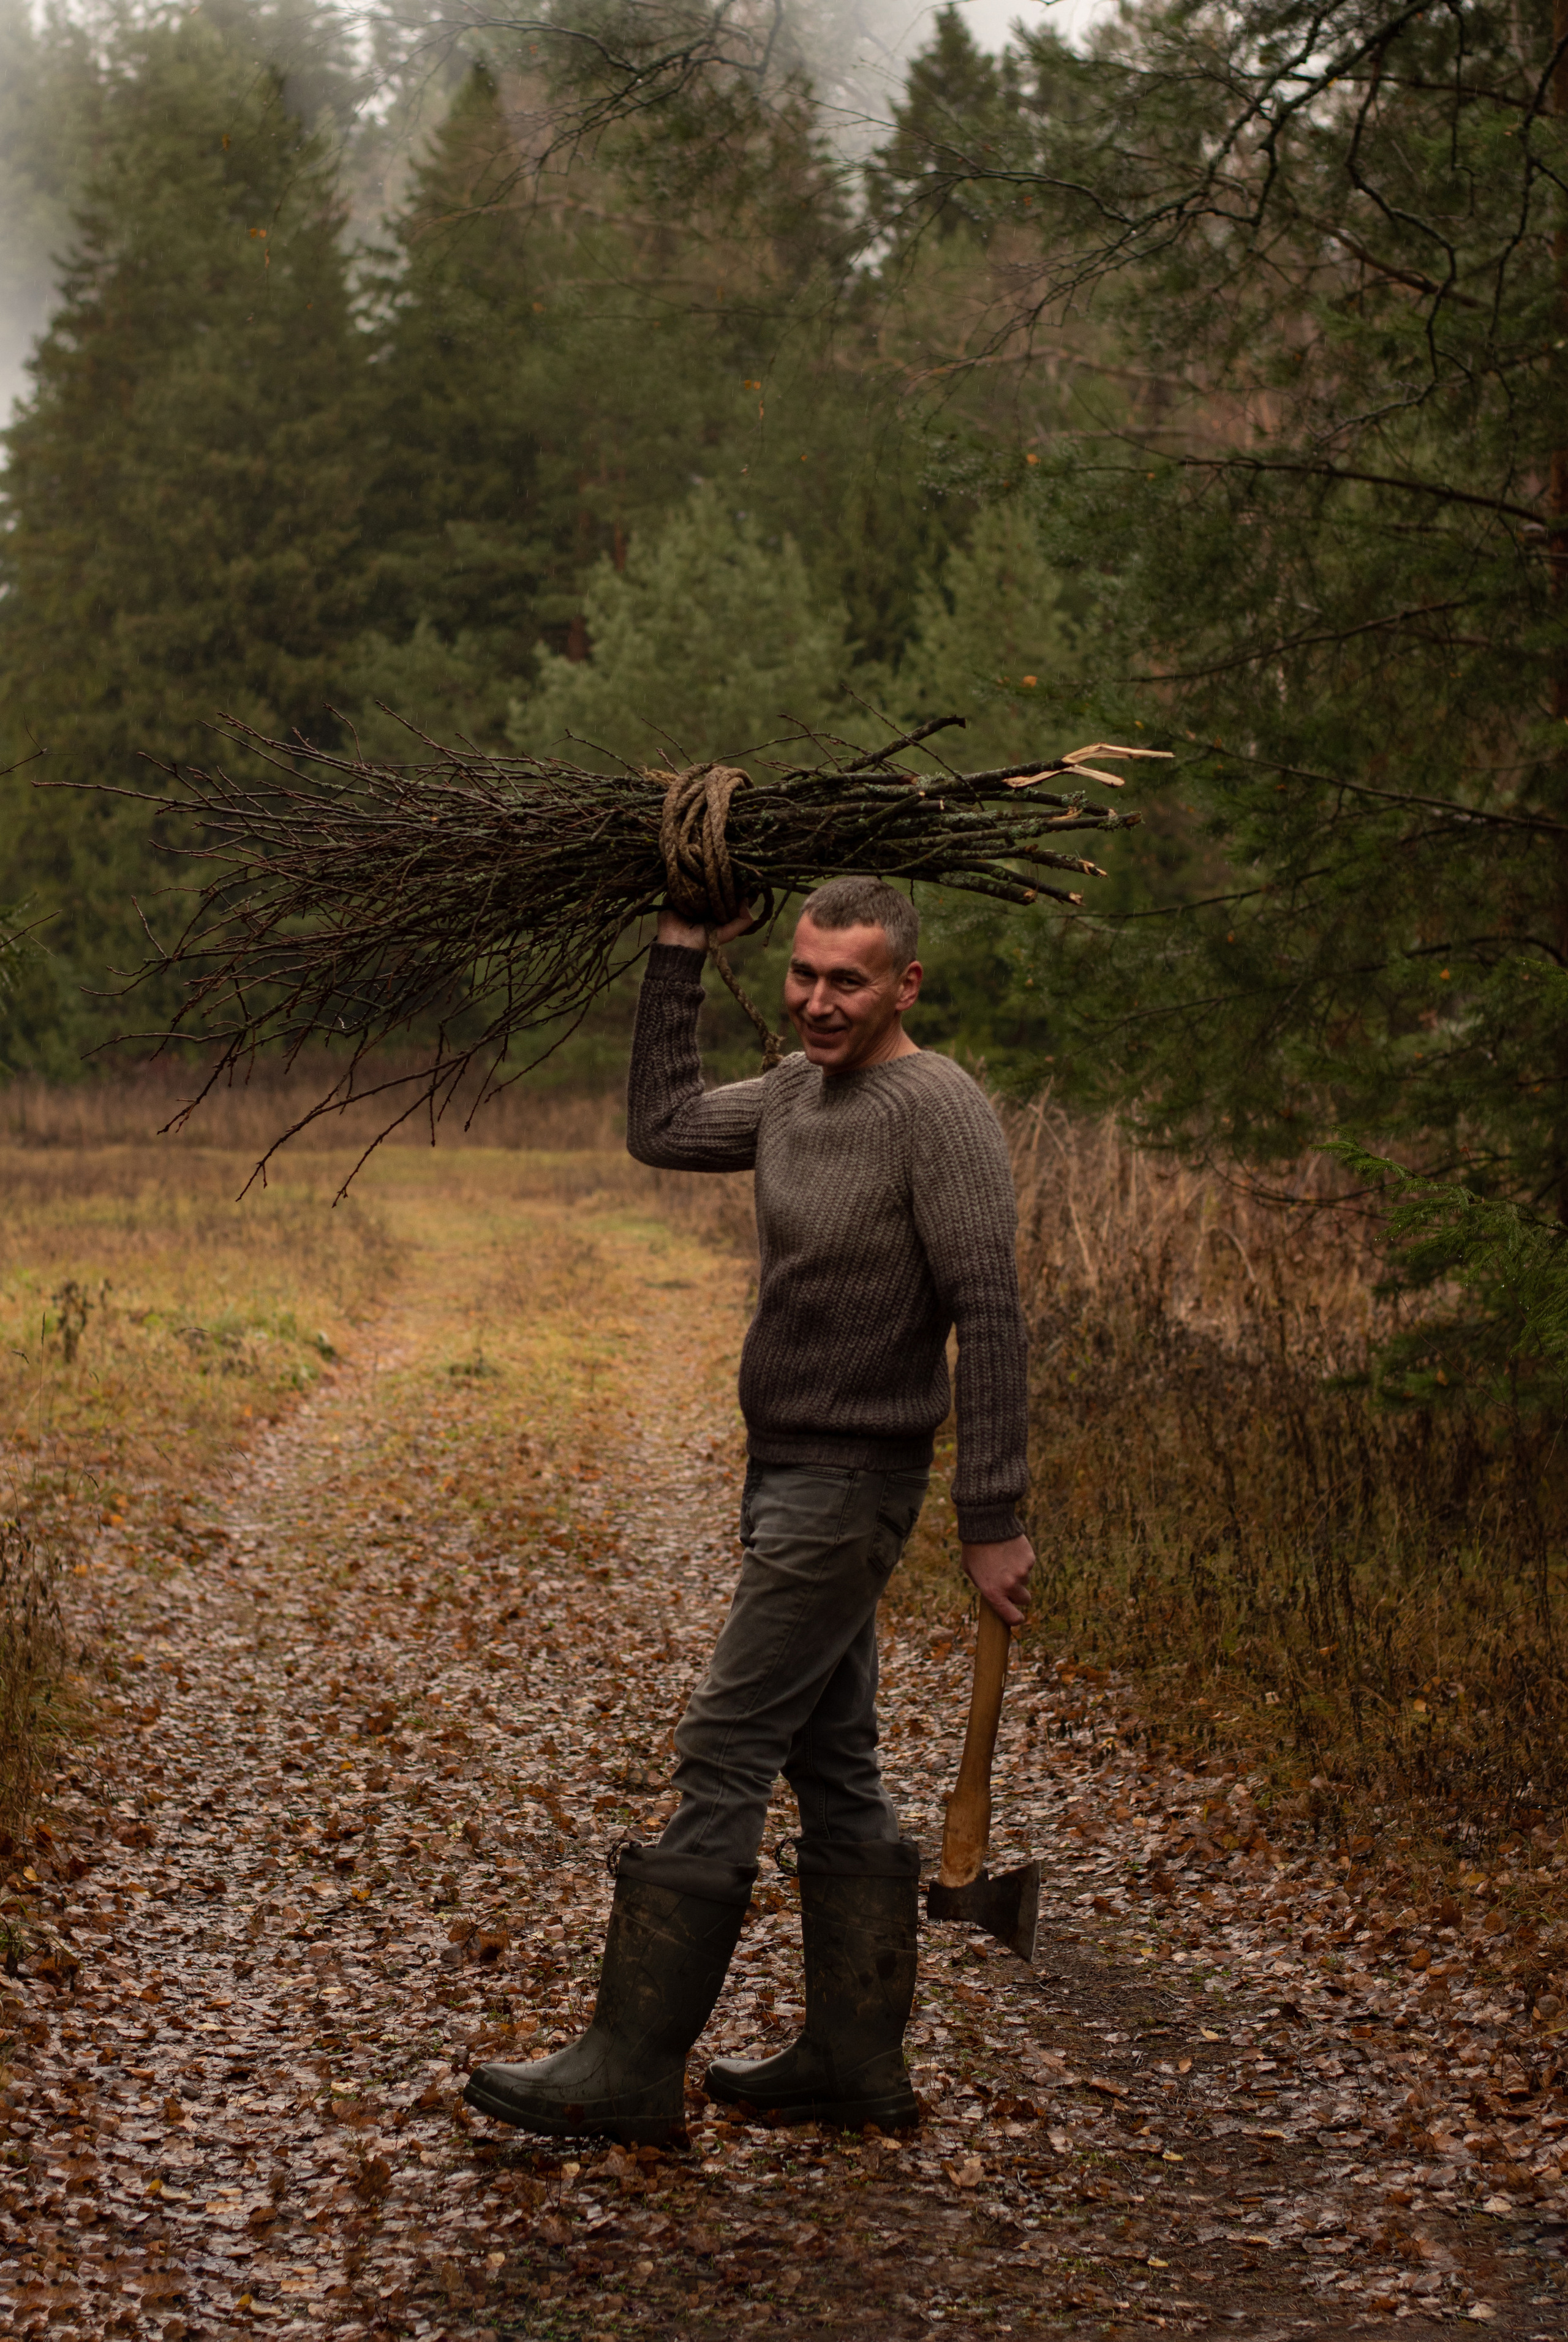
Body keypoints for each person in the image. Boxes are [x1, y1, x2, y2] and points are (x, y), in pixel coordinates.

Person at [466, 876, 1033, 2144]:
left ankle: (628, 2066)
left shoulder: (937, 1110)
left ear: (905, 986)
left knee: (725, 1737)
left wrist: (990, 1513)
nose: (818, 1001)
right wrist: (674, 949)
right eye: (802, 974)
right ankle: (850, 2062)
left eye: (847, 979)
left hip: (853, 1483)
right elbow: (660, 1121)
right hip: (784, 1466)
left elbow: (988, 1314)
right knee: (832, 1758)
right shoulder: (788, 1094)